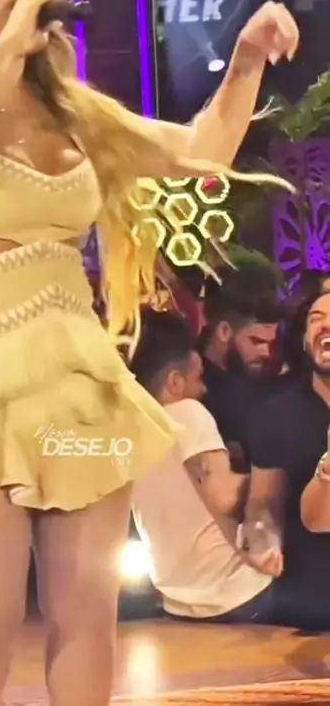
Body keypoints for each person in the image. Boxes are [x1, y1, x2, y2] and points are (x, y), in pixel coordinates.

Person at [0, 0, 298, 706]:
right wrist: (6, 47)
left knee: (89, 617)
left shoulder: (76, 114)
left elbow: (201, 149)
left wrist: (244, 62)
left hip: (78, 388)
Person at [131, 311, 274, 624]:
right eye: (198, 378)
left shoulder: (128, 432)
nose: (205, 390)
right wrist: (281, 477)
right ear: (174, 382)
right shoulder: (187, 411)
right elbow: (224, 495)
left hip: (178, 602)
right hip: (238, 594)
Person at [243, 287, 330, 631]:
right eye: (316, 319)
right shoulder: (277, 414)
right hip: (307, 607)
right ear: (305, 340)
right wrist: (262, 537)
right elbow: (262, 505)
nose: (325, 326)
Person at [199, 268, 285, 471]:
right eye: (256, 341)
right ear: (224, 331)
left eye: (271, 343)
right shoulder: (194, 387)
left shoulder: (269, 378)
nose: (266, 352)